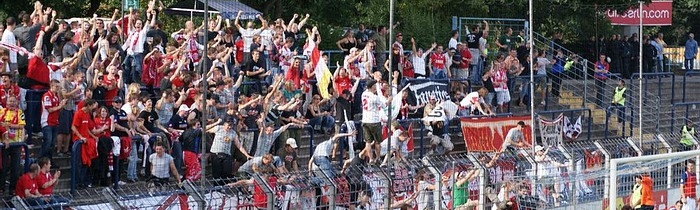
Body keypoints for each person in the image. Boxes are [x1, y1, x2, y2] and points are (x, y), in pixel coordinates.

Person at [361, 80, 389, 165]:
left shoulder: (363, 94)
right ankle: (378, 157)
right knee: (377, 141)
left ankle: (371, 159)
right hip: (374, 121)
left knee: (368, 142)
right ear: (372, 86)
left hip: (365, 120)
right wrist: (389, 100)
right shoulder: (374, 97)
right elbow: (384, 105)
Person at [0, 95, 25, 193]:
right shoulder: (2, 112)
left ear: (17, 103)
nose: (11, 103)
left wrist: (9, 125)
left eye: (13, 101)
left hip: (16, 144)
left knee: (15, 168)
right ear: (6, 103)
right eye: (10, 101)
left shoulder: (20, 112)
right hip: (4, 144)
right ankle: (1, 188)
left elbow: (21, 126)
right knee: (3, 167)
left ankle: (12, 189)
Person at [41, 80, 67, 160]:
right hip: (47, 122)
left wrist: (61, 105)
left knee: (52, 144)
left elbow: (58, 110)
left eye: (59, 87)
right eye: (56, 87)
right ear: (51, 86)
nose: (58, 89)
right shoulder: (47, 96)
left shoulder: (56, 96)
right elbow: (50, 110)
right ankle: (40, 159)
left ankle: (49, 161)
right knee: (47, 142)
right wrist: (59, 106)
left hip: (54, 122)